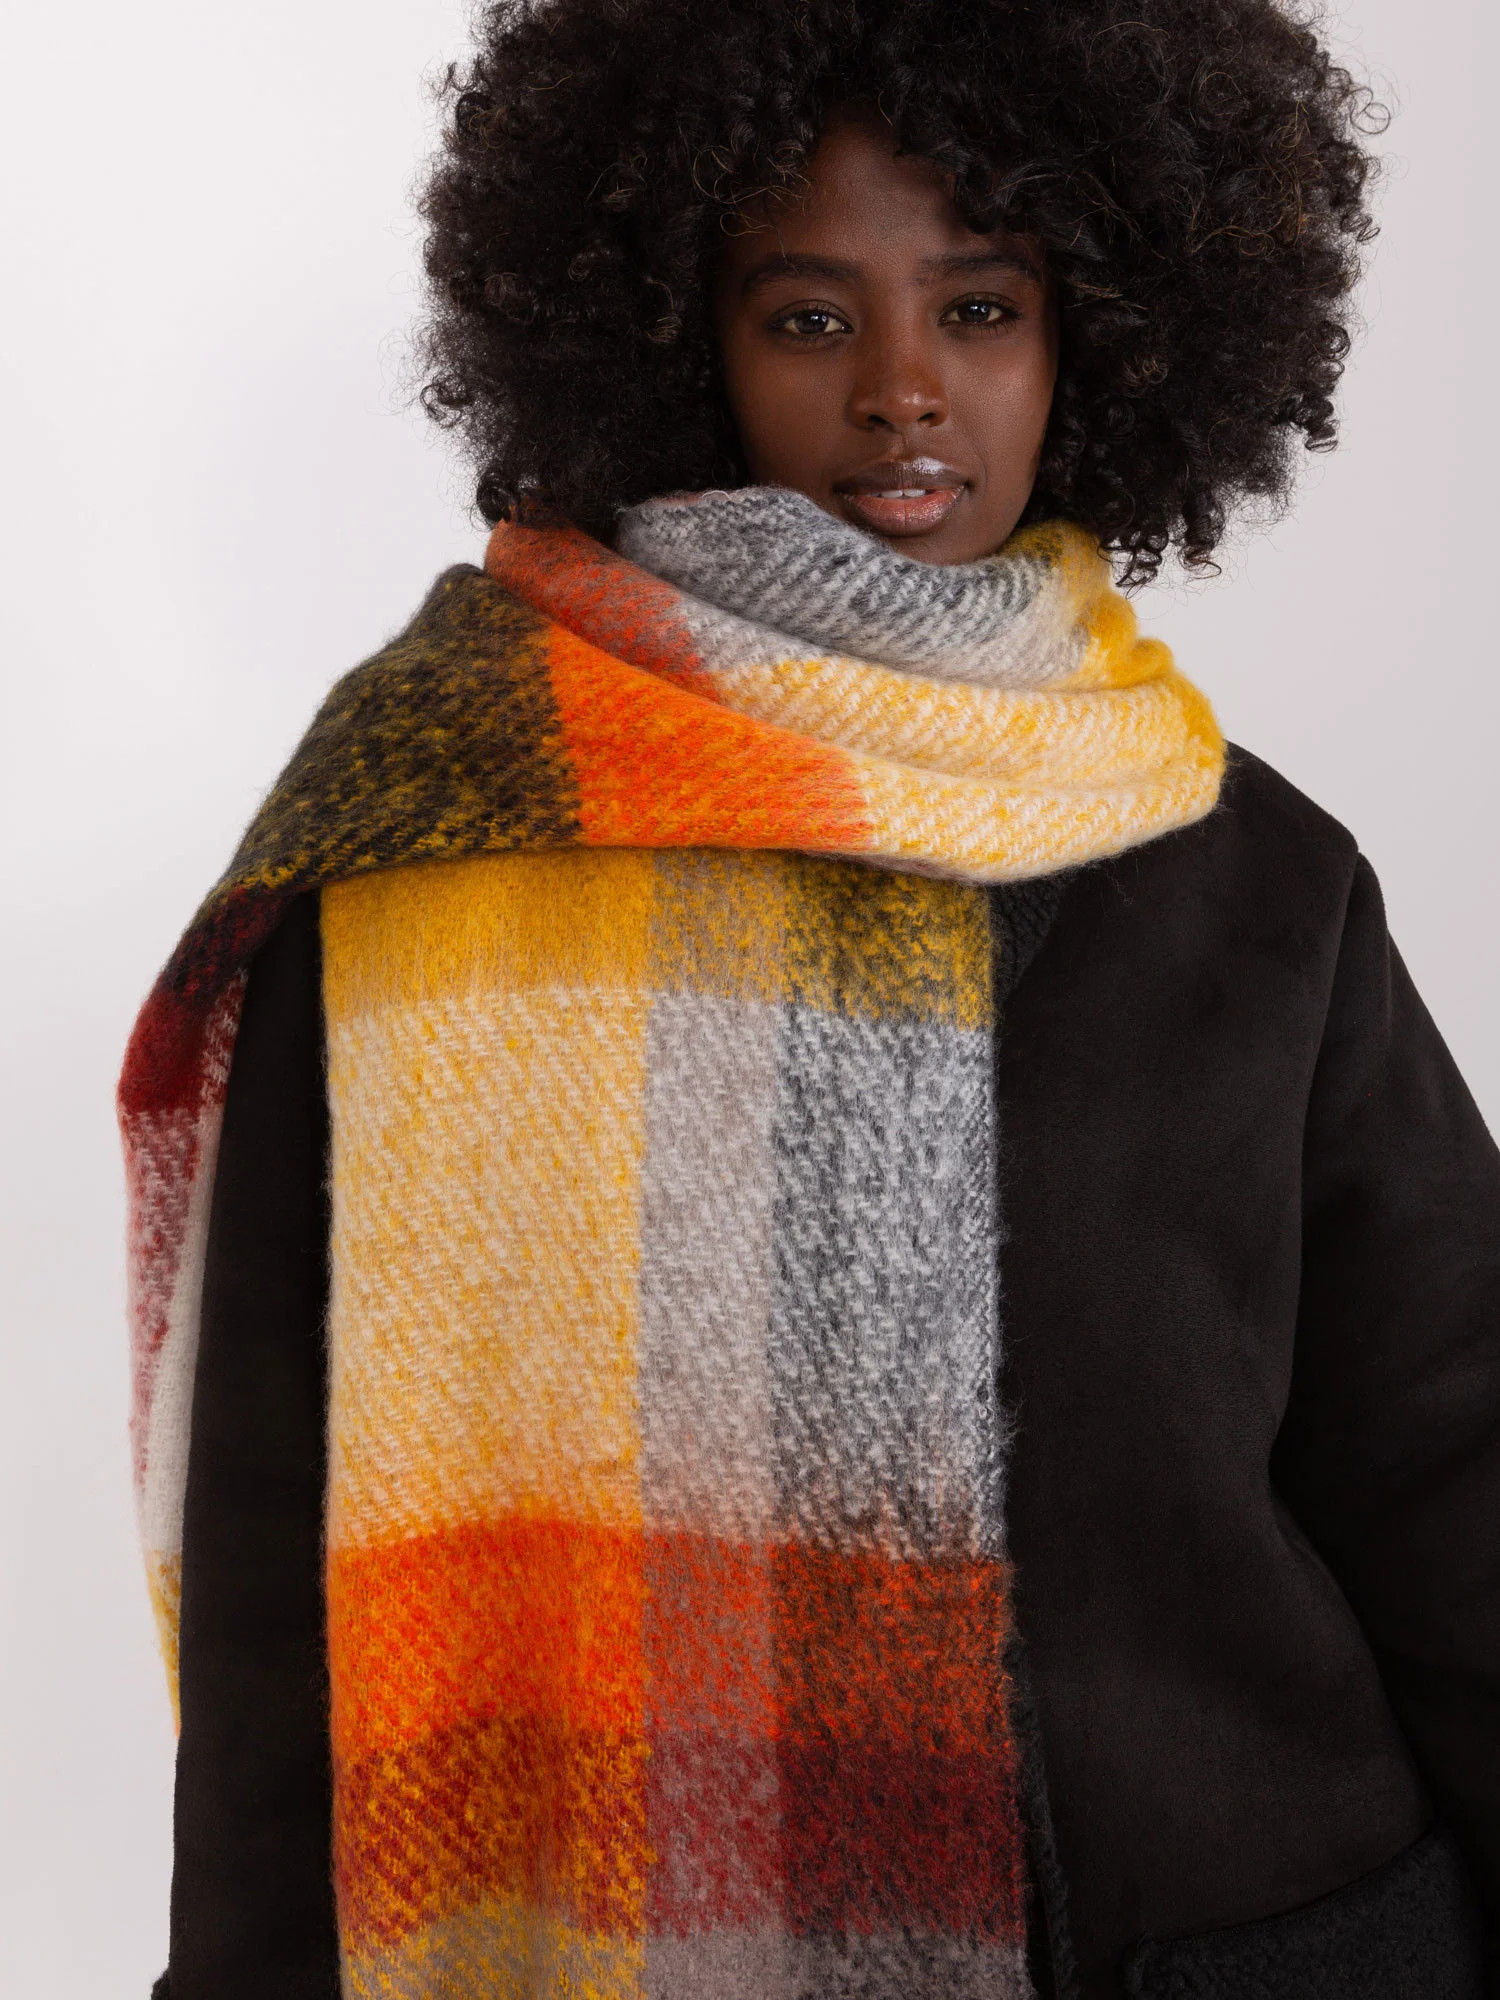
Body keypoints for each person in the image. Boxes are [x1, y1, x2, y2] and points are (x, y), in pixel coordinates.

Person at [118, 2, 1500, 1997]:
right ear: (680, 340)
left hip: (1254, 1932)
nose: (903, 392)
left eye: (982, 307)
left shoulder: (1248, 875)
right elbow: (282, 1573)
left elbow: (1453, 1459)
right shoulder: (435, 844)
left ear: (1099, 337)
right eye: (809, 318)